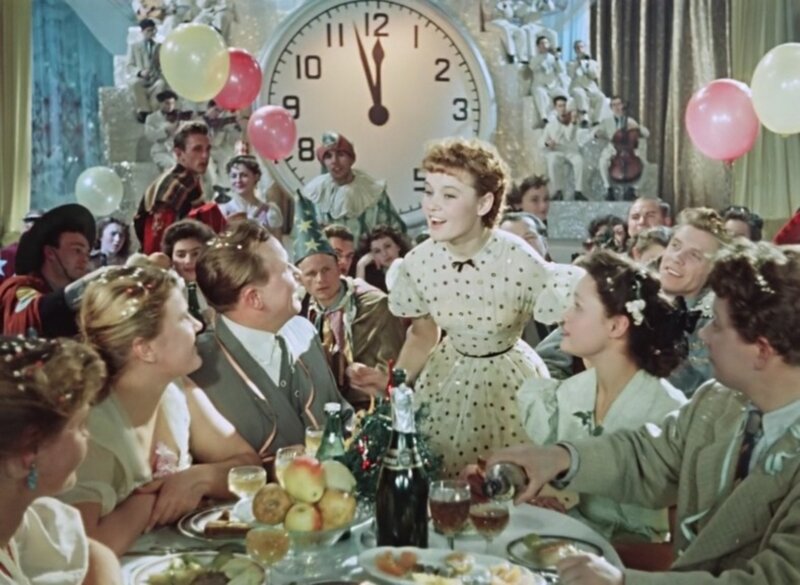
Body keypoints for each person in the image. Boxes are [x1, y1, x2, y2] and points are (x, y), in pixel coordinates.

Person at [489, 240, 800, 585]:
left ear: (761, 350)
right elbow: (650, 456)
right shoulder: (719, 401)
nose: (704, 333)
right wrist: (559, 458)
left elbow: (773, 579)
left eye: (718, 324)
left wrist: (623, 582)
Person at [348, 137, 581, 476]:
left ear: (484, 203)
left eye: (449, 195)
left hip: (511, 385)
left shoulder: (516, 257)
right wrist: (394, 383)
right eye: (429, 192)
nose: (432, 206)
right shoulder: (418, 263)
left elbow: (576, 325)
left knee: (512, 485)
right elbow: (423, 334)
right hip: (446, 384)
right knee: (447, 484)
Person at [62, 265, 260, 555]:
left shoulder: (176, 389)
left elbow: (249, 467)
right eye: (183, 317)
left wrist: (198, 479)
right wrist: (151, 500)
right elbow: (85, 554)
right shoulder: (91, 427)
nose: (198, 325)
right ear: (145, 349)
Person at [518, 250, 687, 542]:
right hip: (574, 545)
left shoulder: (668, 413)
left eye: (578, 307)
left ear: (616, 325)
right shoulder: (569, 394)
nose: (564, 317)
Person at [190, 220, 352, 462]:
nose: (298, 275)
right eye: (285, 268)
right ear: (254, 298)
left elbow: (340, 416)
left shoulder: (304, 331)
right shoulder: (197, 368)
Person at [0, 336, 121, 585]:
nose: (87, 436)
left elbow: (96, 553)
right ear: (29, 450)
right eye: (80, 425)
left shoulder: (20, 516)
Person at [295, 208, 405, 411]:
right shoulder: (298, 311)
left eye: (327, 269)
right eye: (311, 273)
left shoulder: (374, 304)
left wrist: (374, 378)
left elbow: (395, 373)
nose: (320, 279)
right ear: (299, 277)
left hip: (369, 407)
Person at [0, 204, 105, 338]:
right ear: (50, 253)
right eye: (77, 250)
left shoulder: (84, 303)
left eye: (87, 253)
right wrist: (93, 282)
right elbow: (34, 313)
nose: (85, 259)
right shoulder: (19, 288)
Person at [301, 131, 406, 245]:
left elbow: (396, 233)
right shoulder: (314, 194)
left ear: (351, 159)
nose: (334, 161)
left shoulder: (373, 192)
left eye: (341, 154)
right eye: (328, 156)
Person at [134, 121, 214, 255]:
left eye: (208, 149)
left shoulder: (190, 180)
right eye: (197, 149)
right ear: (179, 153)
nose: (205, 156)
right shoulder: (174, 186)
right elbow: (156, 244)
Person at [161, 219, 216, 328]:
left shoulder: (224, 285)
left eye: (195, 254)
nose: (188, 261)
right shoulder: (166, 292)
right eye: (181, 255)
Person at [594, 96, 650, 201]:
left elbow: (646, 134)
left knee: (645, 165)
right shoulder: (606, 122)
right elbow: (596, 133)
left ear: (623, 106)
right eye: (614, 105)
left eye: (619, 104)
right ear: (611, 108)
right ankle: (608, 189)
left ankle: (634, 189)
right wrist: (598, 134)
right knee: (603, 161)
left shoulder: (630, 120)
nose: (617, 107)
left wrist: (637, 127)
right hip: (612, 149)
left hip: (629, 150)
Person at [218, 155, 283, 234]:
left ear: (256, 177)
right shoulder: (224, 212)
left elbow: (277, 240)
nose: (238, 180)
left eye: (244, 175)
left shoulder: (269, 211)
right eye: (234, 176)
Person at [541, 96, 585, 201]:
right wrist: (547, 143)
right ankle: (558, 191)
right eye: (560, 106)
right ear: (555, 108)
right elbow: (542, 141)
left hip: (571, 151)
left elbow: (569, 137)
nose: (563, 108)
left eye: (564, 105)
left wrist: (573, 122)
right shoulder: (550, 125)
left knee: (579, 161)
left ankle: (578, 192)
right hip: (557, 151)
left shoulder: (573, 121)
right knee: (552, 160)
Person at [126, 19, 166, 124]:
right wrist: (140, 72)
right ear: (142, 32)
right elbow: (129, 65)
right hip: (141, 78)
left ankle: (152, 111)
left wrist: (157, 73)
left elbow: (162, 64)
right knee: (135, 84)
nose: (151, 33)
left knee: (161, 84)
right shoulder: (134, 47)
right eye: (148, 30)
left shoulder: (159, 47)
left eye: (153, 30)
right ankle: (144, 110)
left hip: (154, 78)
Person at [355, 225, 411, 293]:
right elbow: (361, 296)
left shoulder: (413, 264)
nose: (384, 254)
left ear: (398, 246)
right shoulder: (375, 281)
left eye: (387, 246)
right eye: (377, 251)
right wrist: (361, 265)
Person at [530, 35, 567, 125]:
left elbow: (561, 70)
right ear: (538, 46)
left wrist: (557, 58)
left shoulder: (554, 57)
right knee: (540, 94)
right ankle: (544, 117)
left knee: (564, 96)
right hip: (540, 85)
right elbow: (533, 68)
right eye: (542, 43)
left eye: (546, 43)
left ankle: (555, 116)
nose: (544, 45)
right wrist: (543, 62)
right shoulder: (535, 58)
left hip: (553, 86)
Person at [0, 209, 44, 284]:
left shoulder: (48, 254)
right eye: (27, 225)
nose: (30, 226)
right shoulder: (8, 252)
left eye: (35, 224)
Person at [568, 40, 605, 127]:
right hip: (577, 86)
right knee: (580, 94)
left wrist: (587, 65)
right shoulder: (571, 63)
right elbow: (570, 74)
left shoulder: (593, 63)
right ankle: (584, 118)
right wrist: (578, 63)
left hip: (590, 88)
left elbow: (594, 76)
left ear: (585, 48)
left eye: (581, 47)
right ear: (575, 50)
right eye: (577, 48)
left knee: (601, 97)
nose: (580, 49)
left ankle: (596, 120)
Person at [144, 90, 181, 171]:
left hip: (176, 152)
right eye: (167, 103)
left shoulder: (178, 116)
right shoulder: (152, 118)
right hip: (160, 151)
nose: (170, 106)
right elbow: (150, 135)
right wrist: (166, 131)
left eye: (173, 103)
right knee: (171, 165)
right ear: (160, 103)